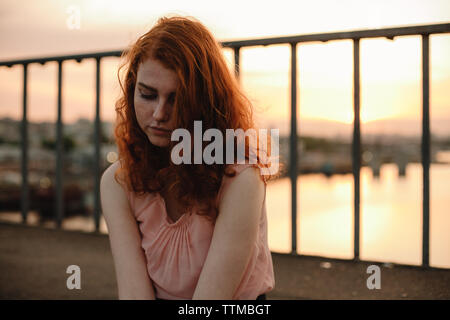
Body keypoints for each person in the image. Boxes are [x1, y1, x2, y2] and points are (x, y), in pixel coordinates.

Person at [100, 16, 278, 300]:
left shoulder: (241, 178)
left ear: (205, 102)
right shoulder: (118, 182)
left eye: (177, 98)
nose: (159, 114)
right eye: (147, 95)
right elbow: (134, 294)